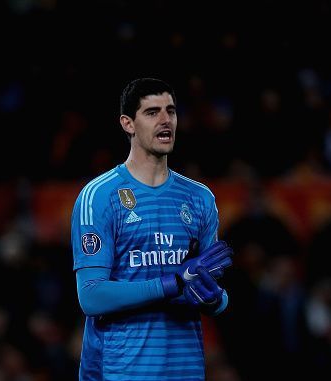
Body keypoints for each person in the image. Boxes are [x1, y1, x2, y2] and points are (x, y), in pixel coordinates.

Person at [70, 77, 234, 380]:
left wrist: (214, 299)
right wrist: (172, 283)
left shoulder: (199, 198)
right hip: (122, 371)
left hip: (185, 370)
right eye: (152, 112)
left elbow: (214, 293)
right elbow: (91, 297)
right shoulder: (100, 196)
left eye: (170, 111)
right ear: (128, 124)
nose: (165, 120)